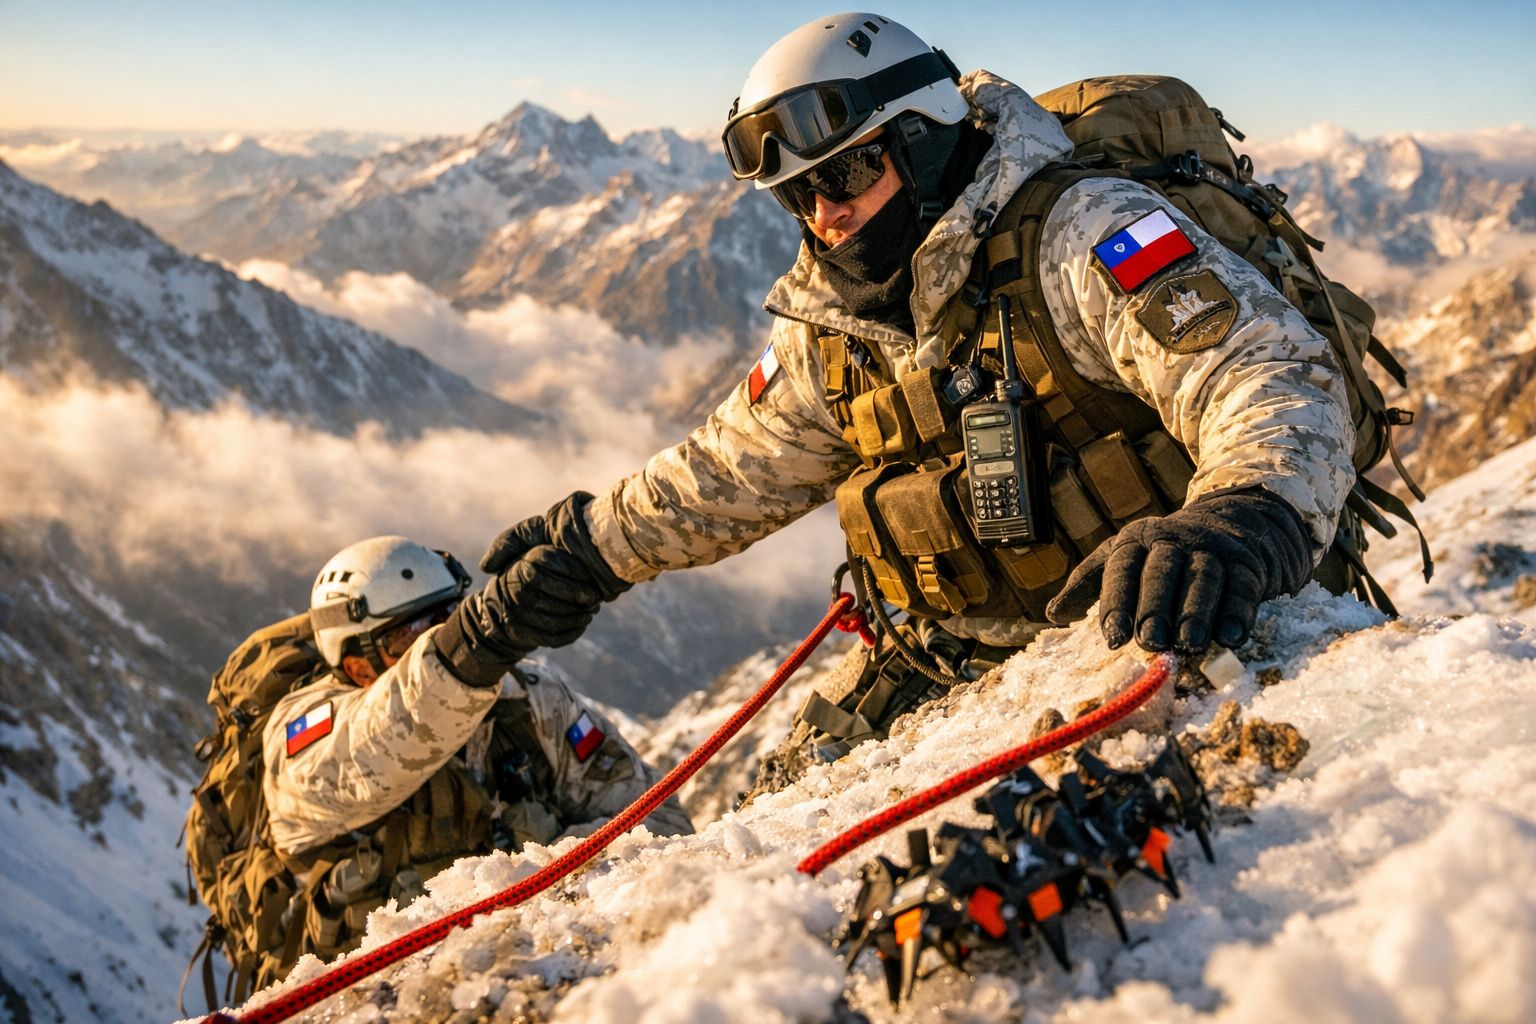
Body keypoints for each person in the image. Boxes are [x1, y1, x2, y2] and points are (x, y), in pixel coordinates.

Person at [458, 14, 1352, 770]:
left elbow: (1265, 371)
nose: (823, 215)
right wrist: (587, 548)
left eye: (844, 175)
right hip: (948, 657)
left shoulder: (1084, 230)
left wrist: (1241, 516)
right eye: (797, 194)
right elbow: (736, 465)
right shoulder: (834, 321)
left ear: (923, 144)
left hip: (1162, 620)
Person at [263, 535, 692, 967]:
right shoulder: (304, 734)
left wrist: (556, 874)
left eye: (449, 617)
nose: (438, 636)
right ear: (357, 666)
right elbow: (380, 742)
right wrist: (474, 642)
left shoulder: (529, 699)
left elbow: (658, 818)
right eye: (410, 633)